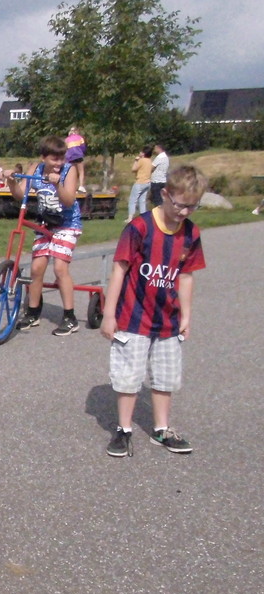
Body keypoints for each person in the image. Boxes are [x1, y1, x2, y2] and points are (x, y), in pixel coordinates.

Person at [101, 165, 208, 458]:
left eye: (192, 206)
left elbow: (186, 276)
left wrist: (186, 316)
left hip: (167, 320)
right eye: (180, 204)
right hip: (133, 317)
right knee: (128, 376)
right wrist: (109, 314)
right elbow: (119, 269)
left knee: (165, 376)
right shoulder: (140, 228)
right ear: (165, 194)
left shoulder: (191, 233)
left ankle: (162, 429)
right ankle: (124, 429)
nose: (185, 212)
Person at [5, 135, 82, 336]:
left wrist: (57, 185)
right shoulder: (35, 168)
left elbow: (69, 201)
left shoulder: (69, 170)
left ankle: (70, 317)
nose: (58, 163)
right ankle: (33, 312)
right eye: (54, 159)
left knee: (59, 267)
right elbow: (20, 194)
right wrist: (11, 181)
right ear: (43, 157)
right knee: (37, 268)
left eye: (61, 158)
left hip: (67, 224)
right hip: (45, 223)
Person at [126, 146, 153, 221]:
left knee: (132, 200)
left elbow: (133, 169)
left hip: (140, 182)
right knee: (142, 201)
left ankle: (130, 218)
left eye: (141, 152)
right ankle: (144, 217)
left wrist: (136, 160)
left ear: (143, 153)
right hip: (148, 182)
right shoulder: (150, 161)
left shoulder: (141, 160)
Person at [65, 126, 87, 193]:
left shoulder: (67, 139)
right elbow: (83, 147)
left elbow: (65, 149)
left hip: (70, 157)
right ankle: (81, 186)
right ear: (77, 131)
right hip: (78, 155)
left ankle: (72, 187)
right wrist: (82, 153)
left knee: (72, 172)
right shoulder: (80, 138)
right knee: (81, 171)